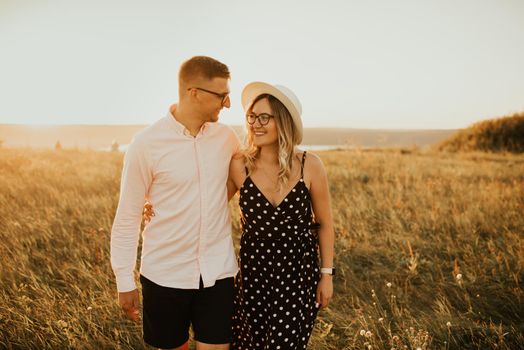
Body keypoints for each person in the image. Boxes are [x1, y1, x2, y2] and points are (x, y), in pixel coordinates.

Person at [110, 56, 240, 350]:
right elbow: (128, 216)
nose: (228, 103)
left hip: (218, 274)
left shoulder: (227, 138)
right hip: (164, 275)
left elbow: (242, 185)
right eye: (222, 95)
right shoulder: (146, 144)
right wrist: (124, 279)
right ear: (193, 92)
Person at [227, 82, 335, 349]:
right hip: (254, 274)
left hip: (298, 275)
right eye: (252, 117)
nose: (256, 124)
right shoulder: (240, 165)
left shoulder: (310, 165)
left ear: (283, 121)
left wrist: (326, 274)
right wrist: (158, 206)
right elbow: (209, 207)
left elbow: (324, 224)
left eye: (265, 117)